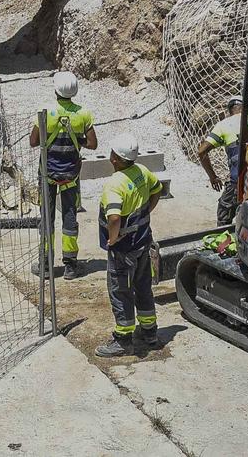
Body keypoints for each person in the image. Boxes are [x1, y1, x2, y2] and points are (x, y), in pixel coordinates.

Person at [95, 134, 162, 358]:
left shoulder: (115, 184)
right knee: (143, 287)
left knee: (121, 291)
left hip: (124, 250)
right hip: (143, 241)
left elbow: (114, 218)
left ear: (115, 158)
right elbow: (157, 189)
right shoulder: (142, 171)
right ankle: (150, 332)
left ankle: (123, 341)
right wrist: (145, 214)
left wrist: (113, 239)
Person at [29, 71, 98, 275]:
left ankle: (46, 265)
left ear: (56, 90)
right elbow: (93, 144)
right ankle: (70, 266)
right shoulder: (83, 114)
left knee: (47, 218)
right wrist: (77, 140)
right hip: (70, 176)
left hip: (47, 175)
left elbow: (33, 142)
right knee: (69, 217)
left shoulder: (45, 112)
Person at [197, 94, 247, 227]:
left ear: (229, 110)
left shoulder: (223, 125)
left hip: (237, 181)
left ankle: (223, 242)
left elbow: (201, 151)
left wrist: (213, 177)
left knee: (224, 214)